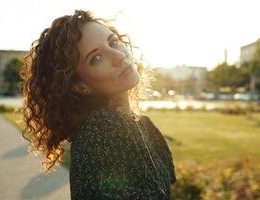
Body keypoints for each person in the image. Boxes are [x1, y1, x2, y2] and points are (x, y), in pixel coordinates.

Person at [20, 9, 176, 200]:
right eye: (96, 58)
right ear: (81, 86)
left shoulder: (143, 125)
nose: (119, 56)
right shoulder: (102, 128)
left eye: (114, 42)